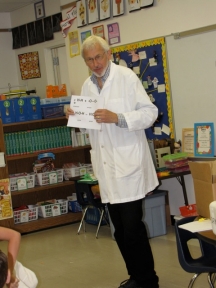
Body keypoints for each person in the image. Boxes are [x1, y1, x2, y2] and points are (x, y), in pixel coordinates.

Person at [66, 35, 159, 288]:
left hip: (129, 167)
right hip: (107, 169)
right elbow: (91, 128)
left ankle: (148, 281)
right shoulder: (87, 87)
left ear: (108, 54)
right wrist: (75, 115)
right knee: (118, 230)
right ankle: (135, 277)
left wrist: (117, 117)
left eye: (98, 57)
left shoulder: (126, 78)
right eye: (89, 59)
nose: (95, 63)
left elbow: (150, 113)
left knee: (132, 229)